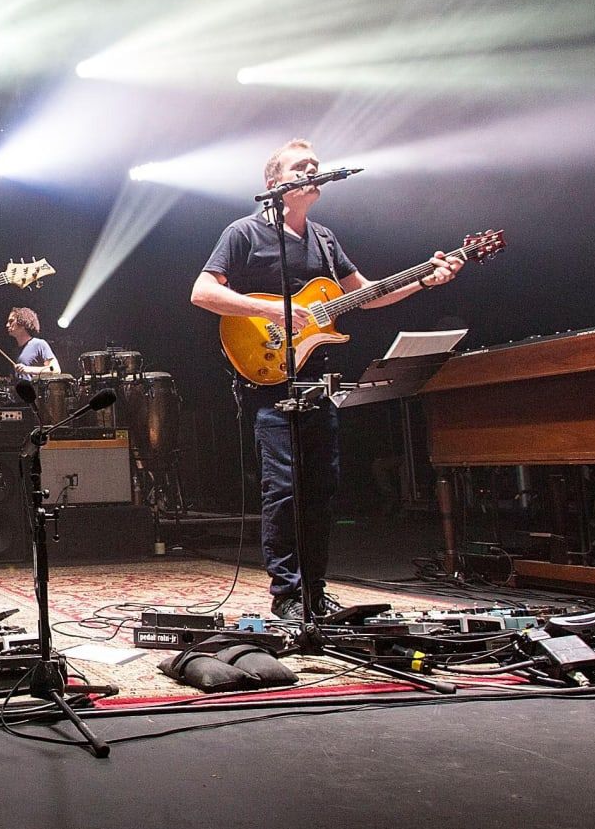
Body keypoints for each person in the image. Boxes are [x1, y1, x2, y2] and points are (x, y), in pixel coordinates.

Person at [190, 138, 463, 620]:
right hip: (269, 378)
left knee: (320, 487)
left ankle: (315, 589)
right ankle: (287, 594)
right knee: (283, 486)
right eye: (302, 165)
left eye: (316, 164)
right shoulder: (244, 233)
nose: (314, 169)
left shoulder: (325, 239)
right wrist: (274, 308)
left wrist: (423, 279)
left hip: (318, 381)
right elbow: (203, 291)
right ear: (275, 183)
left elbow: (366, 295)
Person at [4, 307, 61, 379]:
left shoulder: (39, 344)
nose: (7, 325)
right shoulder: (15, 351)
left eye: (11, 321)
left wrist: (28, 369)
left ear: (22, 323)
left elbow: (55, 369)